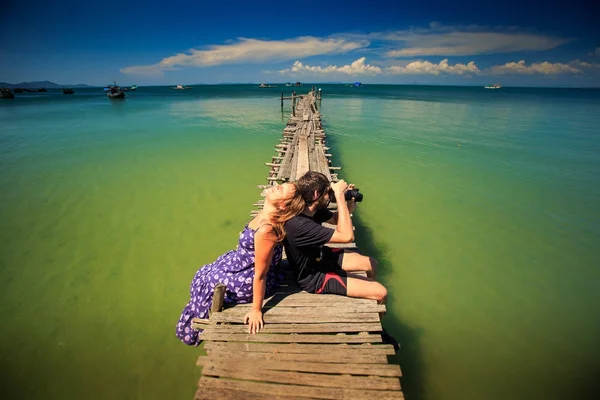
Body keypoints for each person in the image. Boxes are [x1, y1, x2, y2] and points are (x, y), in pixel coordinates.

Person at [176, 182, 305, 345]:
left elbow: (260, 274)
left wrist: (256, 310)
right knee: (205, 272)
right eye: (281, 184)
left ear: (283, 205)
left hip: (248, 276)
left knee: (209, 282)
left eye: (282, 189)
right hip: (242, 263)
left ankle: (193, 329)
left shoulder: (266, 230)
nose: (277, 185)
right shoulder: (265, 214)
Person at [283, 171, 387, 302]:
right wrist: (339, 196)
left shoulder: (312, 209)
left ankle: (366, 290)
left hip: (320, 256)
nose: (329, 196)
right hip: (313, 276)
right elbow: (347, 237)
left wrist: (348, 205)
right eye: (327, 192)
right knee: (381, 292)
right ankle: (371, 292)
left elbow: (336, 219)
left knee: (372, 264)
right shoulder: (299, 225)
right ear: (316, 194)